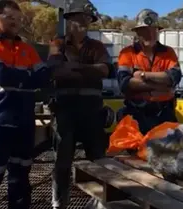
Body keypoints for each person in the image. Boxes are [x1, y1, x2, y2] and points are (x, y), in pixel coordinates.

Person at [0, 1, 52, 209]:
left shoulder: (27, 49)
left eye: (18, 18)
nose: (16, 22)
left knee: (21, 183)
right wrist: (28, 76)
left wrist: (17, 77)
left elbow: (43, 77)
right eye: (10, 17)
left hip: (24, 125)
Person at [47, 1, 113, 209]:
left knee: (99, 161)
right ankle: (59, 202)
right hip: (65, 111)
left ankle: (99, 203)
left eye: (87, 19)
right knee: (62, 163)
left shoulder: (97, 46)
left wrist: (73, 68)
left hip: (92, 112)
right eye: (79, 18)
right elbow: (55, 71)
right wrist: (88, 69)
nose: (83, 23)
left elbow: (104, 70)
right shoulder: (57, 44)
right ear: (68, 20)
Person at [116, 9, 182, 135]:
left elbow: (174, 77)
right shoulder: (127, 53)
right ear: (137, 32)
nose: (150, 34)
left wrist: (142, 75)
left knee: (168, 152)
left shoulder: (169, 52)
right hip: (136, 115)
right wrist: (160, 85)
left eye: (153, 30)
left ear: (157, 31)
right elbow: (124, 83)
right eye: (145, 30)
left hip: (164, 114)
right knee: (135, 152)